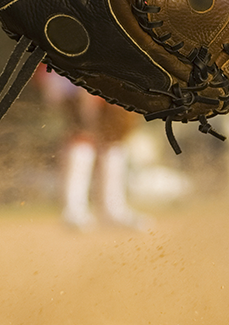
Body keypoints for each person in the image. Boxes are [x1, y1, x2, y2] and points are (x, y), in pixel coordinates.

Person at [36, 68, 149, 231]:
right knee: (82, 137)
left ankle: (113, 210)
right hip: (70, 72)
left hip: (104, 72)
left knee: (114, 138)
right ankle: (74, 211)